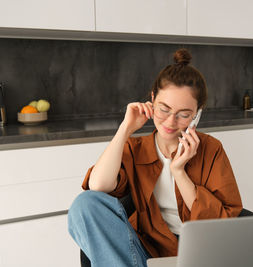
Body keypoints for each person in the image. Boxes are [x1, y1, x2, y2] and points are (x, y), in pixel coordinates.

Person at [68, 48, 243, 267]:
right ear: (152, 99)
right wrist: (125, 129)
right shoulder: (136, 148)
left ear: (198, 113)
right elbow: (98, 185)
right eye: (164, 109)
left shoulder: (212, 150)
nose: (170, 122)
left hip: (196, 256)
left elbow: (222, 226)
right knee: (84, 203)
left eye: (184, 114)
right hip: (143, 254)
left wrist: (179, 172)